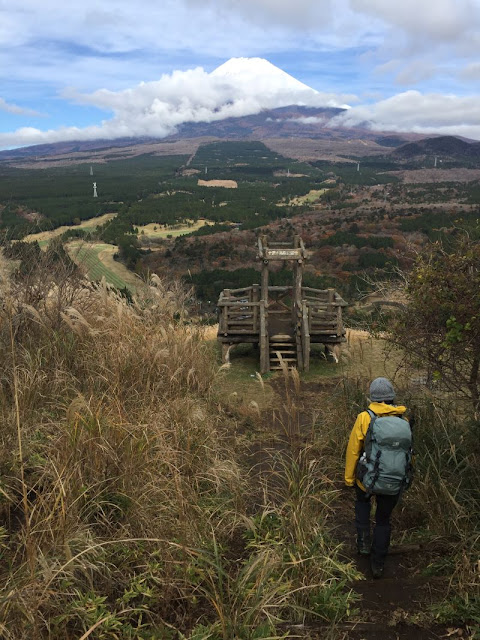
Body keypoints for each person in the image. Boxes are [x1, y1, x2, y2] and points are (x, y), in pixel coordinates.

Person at [344, 377, 409, 578]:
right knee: (383, 520)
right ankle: (378, 563)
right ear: (392, 397)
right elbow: (408, 453)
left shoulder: (365, 417)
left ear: (372, 397)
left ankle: (363, 544)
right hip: (393, 480)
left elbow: (353, 450)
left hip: (367, 479)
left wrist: (349, 478)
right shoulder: (403, 420)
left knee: (362, 504)